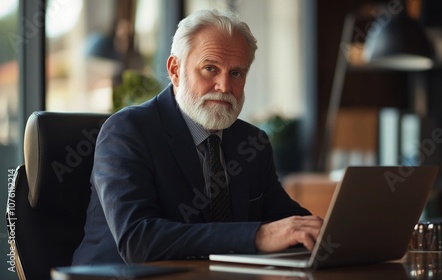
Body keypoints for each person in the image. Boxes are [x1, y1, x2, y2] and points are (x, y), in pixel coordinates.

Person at [72, 9, 323, 265]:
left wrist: (329, 234)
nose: (224, 87)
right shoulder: (127, 132)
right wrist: (257, 235)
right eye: (210, 69)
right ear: (175, 70)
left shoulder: (252, 142)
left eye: (236, 73)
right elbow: (138, 240)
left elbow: (287, 221)